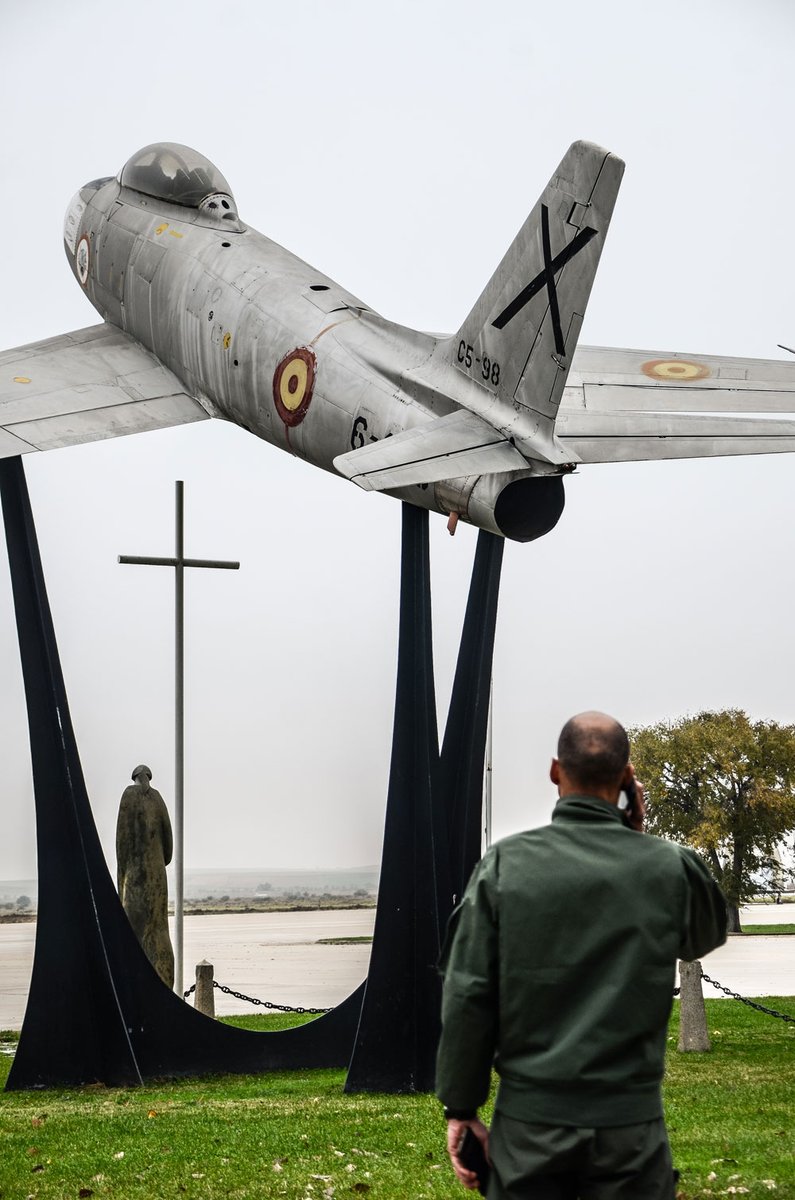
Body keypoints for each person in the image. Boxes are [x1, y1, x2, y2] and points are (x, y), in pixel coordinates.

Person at [436, 711, 727, 1199]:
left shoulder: (504, 866)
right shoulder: (669, 866)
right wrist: (637, 837)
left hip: (529, 1130)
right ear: (627, 776)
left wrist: (461, 1108)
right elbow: (704, 935)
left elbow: (468, 994)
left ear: (556, 771)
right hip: (631, 1133)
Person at [116, 764, 175, 988]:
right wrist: (156, 860)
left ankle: (135, 984)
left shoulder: (128, 796)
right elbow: (169, 847)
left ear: (134, 777)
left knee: (134, 933)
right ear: (148, 776)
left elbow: (121, 843)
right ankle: (163, 981)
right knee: (159, 929)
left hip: (134, 875)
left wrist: (122, 881)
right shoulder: (158, 799)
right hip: (157, 873)